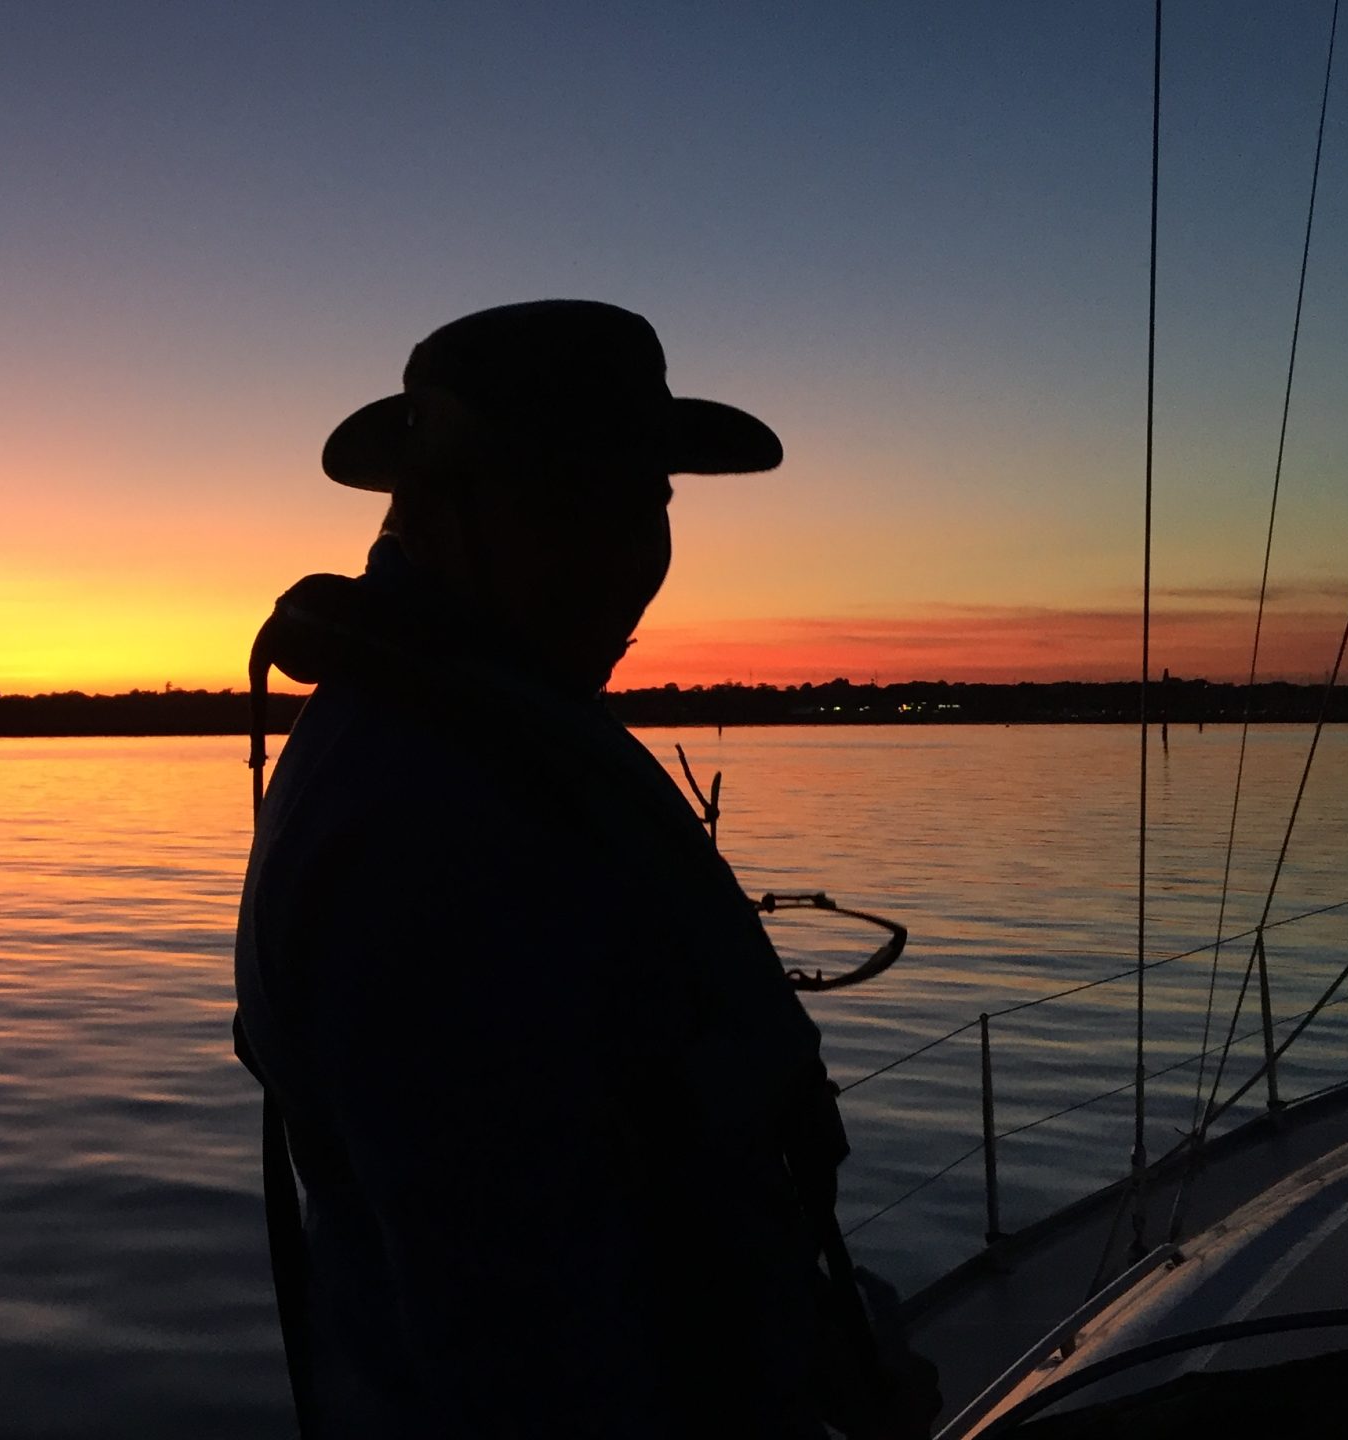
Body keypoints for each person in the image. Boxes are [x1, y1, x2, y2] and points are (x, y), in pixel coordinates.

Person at [232, 300, 934, 1437]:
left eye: (646, 502)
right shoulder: (426, 823)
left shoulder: (480, 742)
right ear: (439, 515)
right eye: (571, 502)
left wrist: (810, 1343)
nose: (628, 560)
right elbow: (523, 1346)